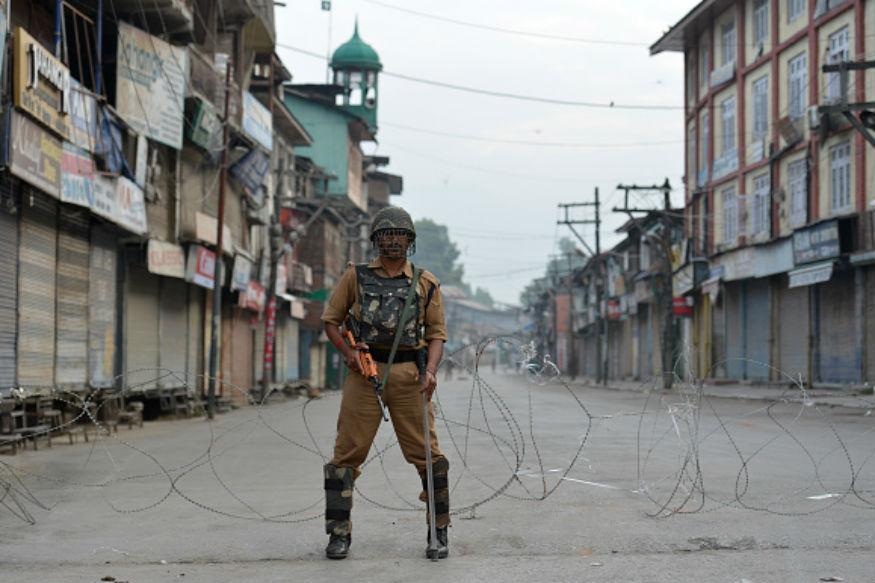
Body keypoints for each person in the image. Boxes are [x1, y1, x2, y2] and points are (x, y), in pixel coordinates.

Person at [320, 206, 450, 561]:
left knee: (429, 456)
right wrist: (348, 354)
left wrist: (431, 371)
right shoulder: (356, 277)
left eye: (400, 234)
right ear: (376, 239)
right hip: (365, 374)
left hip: (411, 376)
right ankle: (338, 533)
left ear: (410, 241)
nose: (393, 240)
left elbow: (437, 334)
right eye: (386, 234)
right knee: (346, 456)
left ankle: (438, 531)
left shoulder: (425, 282)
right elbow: (331, 320)